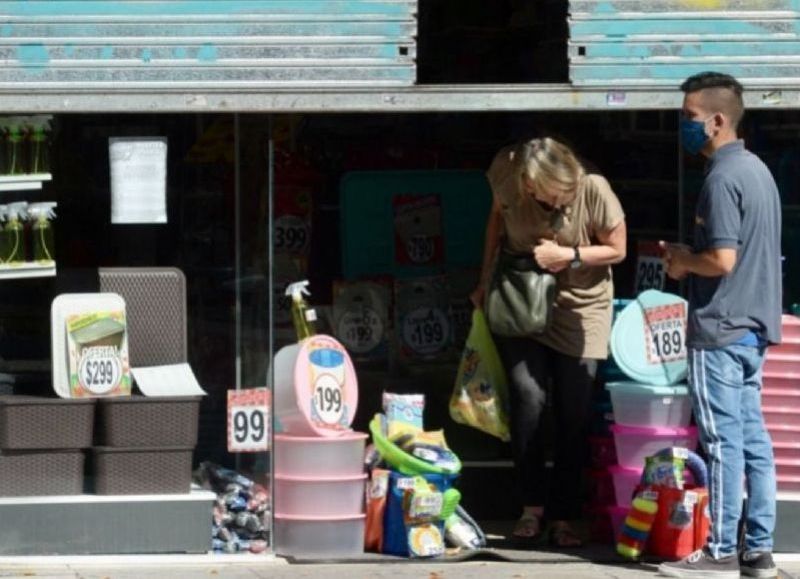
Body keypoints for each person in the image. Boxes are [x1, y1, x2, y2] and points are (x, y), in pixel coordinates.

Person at [470, 137, 626, 547]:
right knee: (528, 396)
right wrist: (484, 281)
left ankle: (565, 514)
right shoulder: (506, 173)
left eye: (565, 194)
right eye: (551, 195)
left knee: (573, 412)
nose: (560, 202)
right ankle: (531, 506)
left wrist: (570, 255)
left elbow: (618, 249)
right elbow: (495, 223)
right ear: (527, 184)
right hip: (523, 296)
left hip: (581, 305)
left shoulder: (593, 187)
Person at [658, 72, 782, 579]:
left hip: (720, 329)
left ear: (716, 120)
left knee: (723, 441)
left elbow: (723, 259)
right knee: (753, 441)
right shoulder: (758, 171)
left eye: (689, 117)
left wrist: (684, 260)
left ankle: (720, 550)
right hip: (752, 330)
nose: (684, 126)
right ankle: (758, 550)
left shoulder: (722, 178)